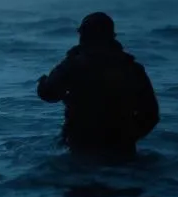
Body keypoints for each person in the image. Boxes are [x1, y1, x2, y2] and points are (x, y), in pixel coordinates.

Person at [37, 12, 159, 158]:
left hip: (82, 146)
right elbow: (150, 114)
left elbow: (49, 94)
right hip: (121, 149)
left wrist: (42, 82)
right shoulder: (131, 68)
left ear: (84, 35)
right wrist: (128, 136)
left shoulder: (74, 65)